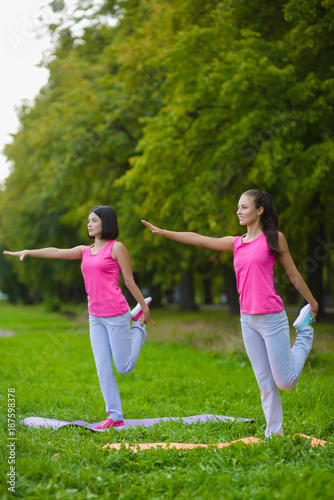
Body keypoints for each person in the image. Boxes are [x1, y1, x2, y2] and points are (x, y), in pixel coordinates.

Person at [142, 189, 318, 437]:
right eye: (238, 206)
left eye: (244, 207)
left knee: (285, 382)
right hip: (248, 319)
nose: (238, 211)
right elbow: (198, 238)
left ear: (260, 210)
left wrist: (312, 302)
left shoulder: (274, 239)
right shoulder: (236, 243)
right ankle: (274, 434)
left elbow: (293, 275)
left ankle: (305, 332)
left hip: (272, 317)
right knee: (264, 381)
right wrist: (163, 232)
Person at [4, 206, 154, 430]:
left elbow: (129, 281)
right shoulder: (85, 250)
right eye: (88, 221)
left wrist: (144, 307)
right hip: (95, 317)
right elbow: (56, 251)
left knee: (124, 368)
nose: (89, 224)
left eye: (94, 220)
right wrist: (28, 251)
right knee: (103, 368)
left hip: (116, 314)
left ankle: (138, 329)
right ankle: (115, 416)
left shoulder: (117, 248)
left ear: (106, 222)